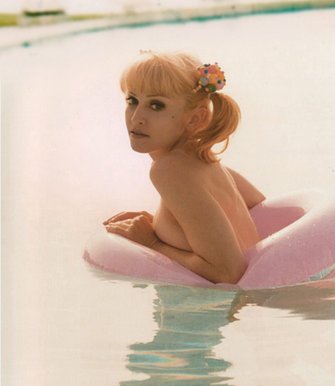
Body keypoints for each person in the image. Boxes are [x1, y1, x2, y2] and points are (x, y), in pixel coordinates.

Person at [103, 52, 265, 284]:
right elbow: (259, 207)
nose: (137, 117)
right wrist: (169, 222)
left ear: (194, 119)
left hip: (229, 304)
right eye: (132, 101)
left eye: (156, 105)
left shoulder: (168, 170)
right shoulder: (206, 162)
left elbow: (228, 273)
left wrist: (151, 242)